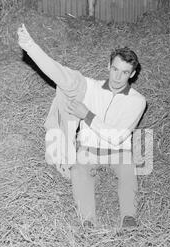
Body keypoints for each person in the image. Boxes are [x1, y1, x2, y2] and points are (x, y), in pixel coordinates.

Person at [17, 24, 146, 229]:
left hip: (118, 152)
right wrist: (30, 46)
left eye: (124, 72)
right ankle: (87, 221)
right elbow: (58, 73)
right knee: (78, 170)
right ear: (108, 66)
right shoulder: (90, 87)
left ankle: (128, 217)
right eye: (114, 69)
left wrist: (86, 115)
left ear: (132, 74)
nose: (117, 77)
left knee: (128, 169)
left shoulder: (137, 101)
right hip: (88, 151)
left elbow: (117, 137)